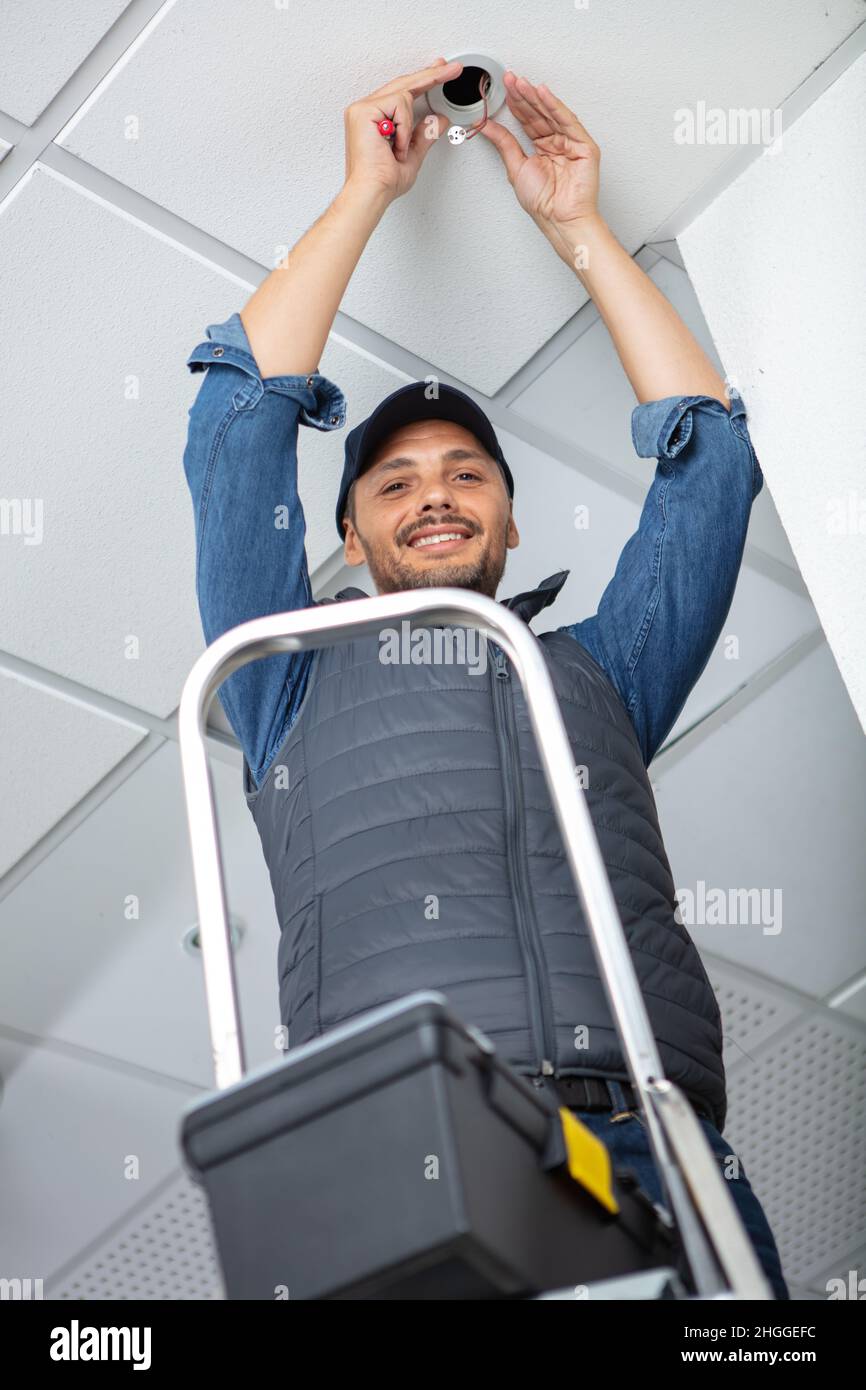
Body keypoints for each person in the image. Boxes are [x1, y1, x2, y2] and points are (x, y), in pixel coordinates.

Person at [182, 59, 788, 1299]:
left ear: (507, 523)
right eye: (393, 484)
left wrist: (577, 230)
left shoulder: (595, 672)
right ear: (348, 537)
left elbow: (711, 469)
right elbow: (236, 429)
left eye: (467, 474)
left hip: (649, 1145)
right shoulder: (283, 676)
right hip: (407, 1141)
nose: (436, 495)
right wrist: (363, 197)